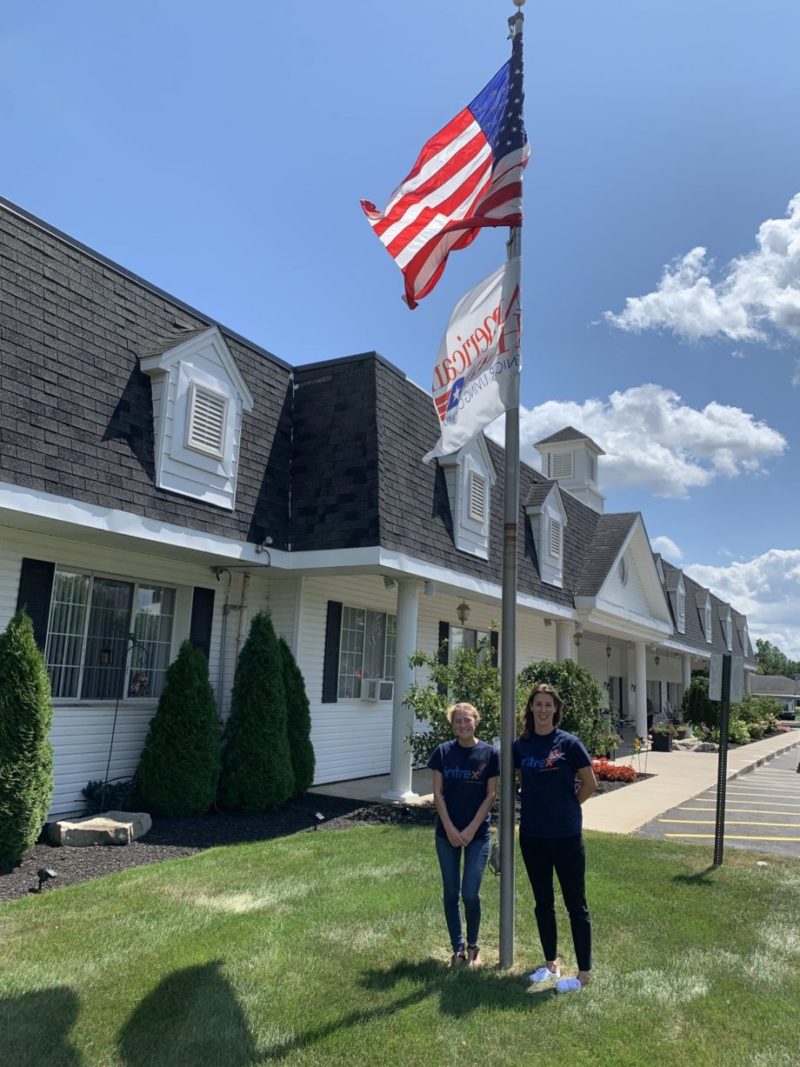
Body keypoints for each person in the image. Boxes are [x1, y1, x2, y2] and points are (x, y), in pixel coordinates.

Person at [514, 683, 597, 993]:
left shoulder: (569, 743)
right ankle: (550, 964)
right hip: (533, 835)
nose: (543, 710)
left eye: (549, 705)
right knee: (542, 902)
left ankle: (584, 972)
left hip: (566, 835)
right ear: (531, 708)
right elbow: (516, 779)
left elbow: (590, 782)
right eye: (538, 704)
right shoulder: (520, 745)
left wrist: (570, 806)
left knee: (576, 904)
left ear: (556, 709)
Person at [428, 702, 499, 967]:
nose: (462, 725)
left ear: (476, 721)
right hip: (446, 833)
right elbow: (438, 793)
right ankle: (457, 949)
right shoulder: (443, 753)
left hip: (477, 834)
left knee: (470, 892)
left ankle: (473, 946)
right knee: (450, 893)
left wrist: (469, 830)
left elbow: (491, 794)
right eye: (457, 721)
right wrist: (449, 827)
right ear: (452, 724)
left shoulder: (489, 754)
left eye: (467, 720)